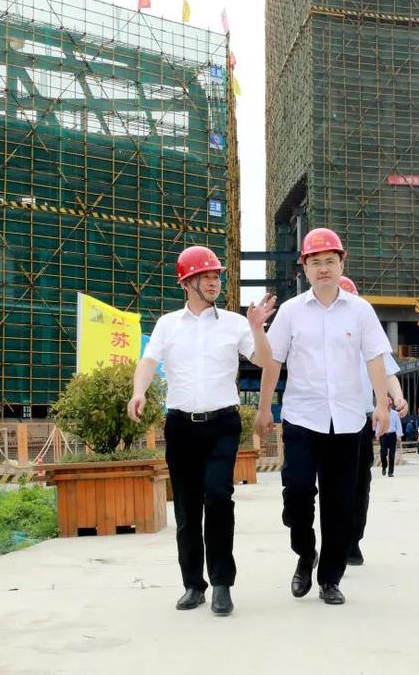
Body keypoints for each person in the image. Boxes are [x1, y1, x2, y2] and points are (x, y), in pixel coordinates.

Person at [127, 245, 276, 616]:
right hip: (181, 426)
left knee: (219, 497)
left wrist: (257, 328)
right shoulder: (167, 325)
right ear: (186, 282)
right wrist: (138, 392)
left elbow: (263, 359)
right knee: (187, 507)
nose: (214, 282)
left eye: (216, 276)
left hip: (223, 424)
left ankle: (222, 584)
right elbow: (148, 362)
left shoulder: (235, 323)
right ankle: (193, 585)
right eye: (205, 276)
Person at [255, 228, 392, 606]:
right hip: (303, 418)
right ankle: (305, 553)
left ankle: (330, 578)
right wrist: (264, 408)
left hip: (347, 421)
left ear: (341, 263)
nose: (323, 268)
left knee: (340, 504)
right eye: (315, 262)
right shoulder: (291, 312)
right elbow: (272, 361)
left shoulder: (361, 311)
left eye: (330, 261)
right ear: (304, 268)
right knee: (297, 491)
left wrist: (381, 404)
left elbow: (375, 358)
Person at [337, 275, 408, 566]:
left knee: (359, 481)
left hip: (360, 420)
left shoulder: (367, 333)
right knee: (329, 483)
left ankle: (353, 540)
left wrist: (398, 398)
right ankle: (332, 539)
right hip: (325, 420)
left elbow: (387, 371)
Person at [378, 396, 403, 477]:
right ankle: (384, 466)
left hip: (392, 435)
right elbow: (379, 424)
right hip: (383, 435)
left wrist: (399, 436)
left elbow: (398, 425)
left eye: (389, 405)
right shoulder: (381, 413)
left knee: (392, 455)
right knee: (383, 453)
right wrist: (377, 434)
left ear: (391, 405)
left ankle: (390, 472)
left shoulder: (395, 414)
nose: (388, 407)